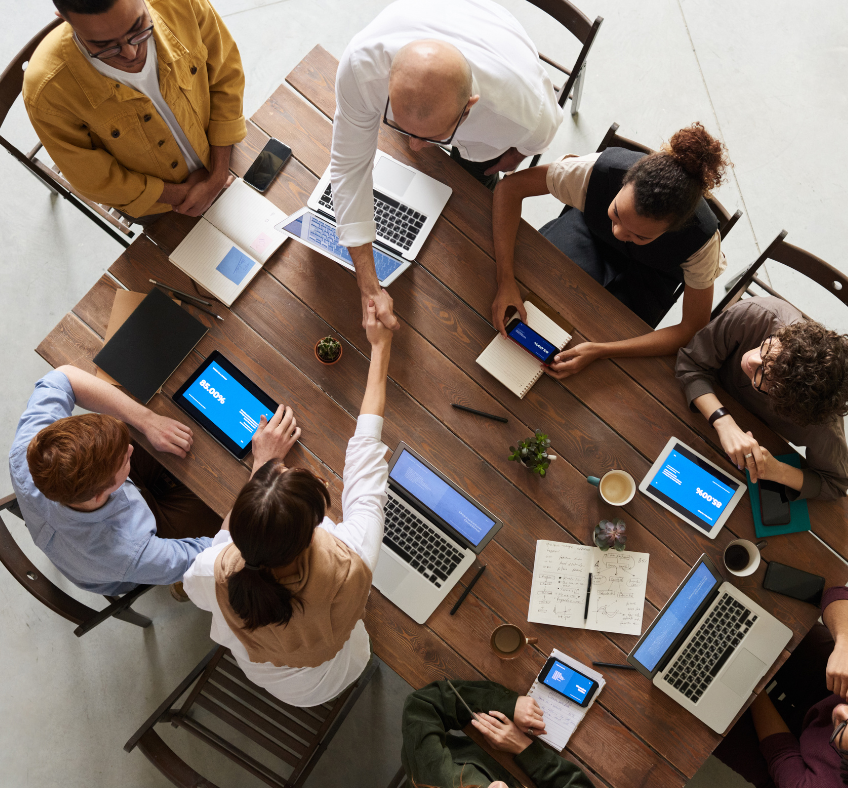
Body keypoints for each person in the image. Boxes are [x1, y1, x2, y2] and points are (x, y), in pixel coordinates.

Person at [183, 300, 393, 706]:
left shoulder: (214, 569)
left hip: (274, 679)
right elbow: (367, 456)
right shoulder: (352, 558)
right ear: (313, 530)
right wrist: (382, 347)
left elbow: (212, 561)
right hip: (337, 668)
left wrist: (261, 464)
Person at [332, 0, 564, 331]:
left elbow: (532, 144)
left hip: (496, 42)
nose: (413, 146)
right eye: (401, 125)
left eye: (431, 137)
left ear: (469, 108)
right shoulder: (360, 66)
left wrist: (515, 155)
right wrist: (369, 286)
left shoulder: (526, 116)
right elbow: (349, 168)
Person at [492, 122, 730, 378]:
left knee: (602, 351)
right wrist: (505, 279)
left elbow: (692, 327)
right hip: (588, 234)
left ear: (673, 229)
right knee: (536, 291)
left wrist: (601, 350)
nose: (618, 233)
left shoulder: (701, 242)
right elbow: (509, 188)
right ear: (623, 183)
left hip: (651, 277)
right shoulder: (596, 171)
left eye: (639, 235)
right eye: (616, 214)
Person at [24, 0, 246, 222]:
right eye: (105, 46)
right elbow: (94, 179)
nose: (131, 53)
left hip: (223, 154)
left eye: (139, 28)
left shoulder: (181, 4)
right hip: (158, 206)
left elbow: (226, 75)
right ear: (65, 20)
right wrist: (180, 195)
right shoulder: (46, 90)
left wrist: (217, 176)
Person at [9, 365, 221, 596]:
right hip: (125, 563)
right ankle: (181, 587)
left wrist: (147, 420)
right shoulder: (128, 553)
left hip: (82, 531)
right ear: (101, 494)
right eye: (125, 459)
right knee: (229, 513)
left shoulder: (33, 449)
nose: (130, 448)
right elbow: (216, 557)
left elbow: (64, 376)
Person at [713, 586, 848, 788]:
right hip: (834, 685)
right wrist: (847, 644)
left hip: (798, 762)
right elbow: (840, 595)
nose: (841, 709)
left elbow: (780, 751)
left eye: (841, 728)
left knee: (711, 713)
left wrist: (752, 683)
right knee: (775, 616)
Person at [675, 296, 848, 500]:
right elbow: (690, 363)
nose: (751, 359)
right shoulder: (757, 314)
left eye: (764, 376)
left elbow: (835, 484)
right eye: (767, 350)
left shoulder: (821, 422)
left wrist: (776, 470)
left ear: (785, 404)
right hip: (695, 407)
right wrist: (724, 423)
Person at [401, 679, 593, 788]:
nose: (500, 786)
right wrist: (524, 748)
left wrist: (506, 705)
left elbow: (423, 706)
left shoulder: (435, 780)